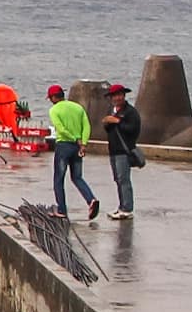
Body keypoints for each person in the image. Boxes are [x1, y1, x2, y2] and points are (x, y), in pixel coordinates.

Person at [48, 85, 99, 220]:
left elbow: (61, 129)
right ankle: (91, 200)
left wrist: (74, 139)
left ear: (53, 97)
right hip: (78, 148)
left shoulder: (54, 110)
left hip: (64, 146)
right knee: (77, 177)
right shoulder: (78, 107)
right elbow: (86, 126)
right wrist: (83, 143)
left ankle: (62, 210)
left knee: (58, 179)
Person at [102, 83, 141, 220]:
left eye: (119, 95)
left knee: (124, 179)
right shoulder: (112, 110)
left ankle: (127, 208)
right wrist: (107, 123)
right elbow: (109, 130)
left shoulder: (131, 112)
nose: (117, 98)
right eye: (114, 96)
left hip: (124, 151)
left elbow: (133, 129)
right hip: (113, 150)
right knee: (118, 179)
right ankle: (121, 206)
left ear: (124, 96)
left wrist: (117, 121)